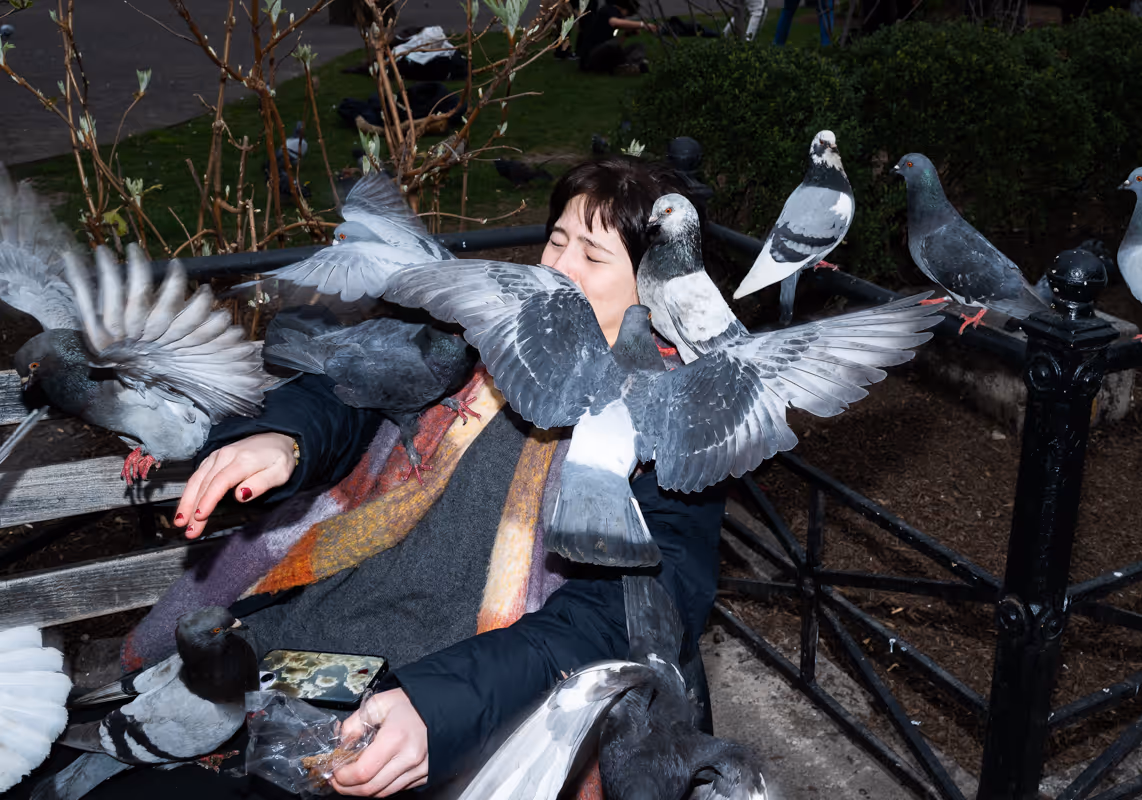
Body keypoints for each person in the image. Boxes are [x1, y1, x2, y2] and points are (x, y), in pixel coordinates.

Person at [98, 156, 723, 799]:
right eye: (556, 240)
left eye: (592, 256)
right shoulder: (485, 328)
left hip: (470, 699)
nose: (558, 267)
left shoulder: (680, 422)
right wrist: (285, 439)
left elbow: (629, 610)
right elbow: (350, 389)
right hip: (318, 646)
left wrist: (440, 707)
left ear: (653, 284)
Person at [575, 0, 658, 75]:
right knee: (613, 45)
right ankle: (628, 66)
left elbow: (616, 43)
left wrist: (626, 35)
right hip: (590, 58)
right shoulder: (610, 10)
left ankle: (627, 66)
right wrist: (642, 25)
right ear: (625, 9)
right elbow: (614, 22)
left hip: (602, 53)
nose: (624, 18)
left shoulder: (608, 20)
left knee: (639, 46)